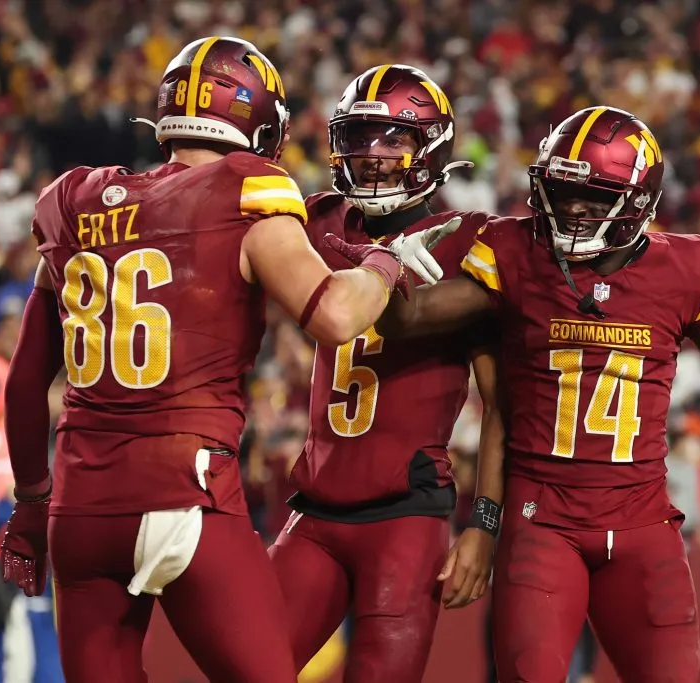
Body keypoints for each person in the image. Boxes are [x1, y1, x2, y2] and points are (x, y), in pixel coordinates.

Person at [340, 105, 700, 682]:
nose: (572, 210)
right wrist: (387, 267)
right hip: (543, 524)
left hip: (643, 528)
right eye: (561, 190)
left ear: (637, 203)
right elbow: (410, 321)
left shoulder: (686, 268)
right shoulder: (516, 251)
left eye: (595, 198)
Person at [0, 36, 430, 683]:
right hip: (186, 493)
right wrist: (386, 259)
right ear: (261, 125)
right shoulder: (246, 187)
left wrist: (30, 505)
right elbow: (337, 317)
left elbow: (26, 381)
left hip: (82, 511)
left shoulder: (74, 199)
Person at [267, 64, 499, 682]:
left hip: (406, 512)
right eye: (360, 137)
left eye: (393, 140)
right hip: (313, 509)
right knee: (245, 667)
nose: (372, 156)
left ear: (430, 147)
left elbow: (501, 402)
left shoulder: (470, 241)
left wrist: (484, 523)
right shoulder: (315, 219)